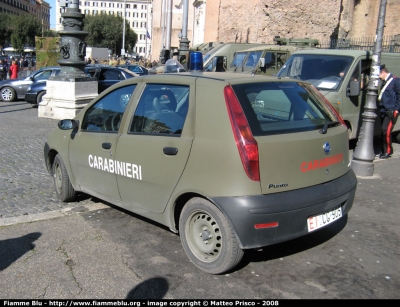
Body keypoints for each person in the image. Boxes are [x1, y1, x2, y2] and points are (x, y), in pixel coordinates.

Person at [376, 64, 400, 159]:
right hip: (384, 110)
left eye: (378, 75)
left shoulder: (395, 81)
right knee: (383, 131)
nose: (378, 78)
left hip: (391, 111)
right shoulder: (385, 82)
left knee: (386, 131)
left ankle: (388, 151)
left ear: (382, 72)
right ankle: (384, 150)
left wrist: (397, 109)